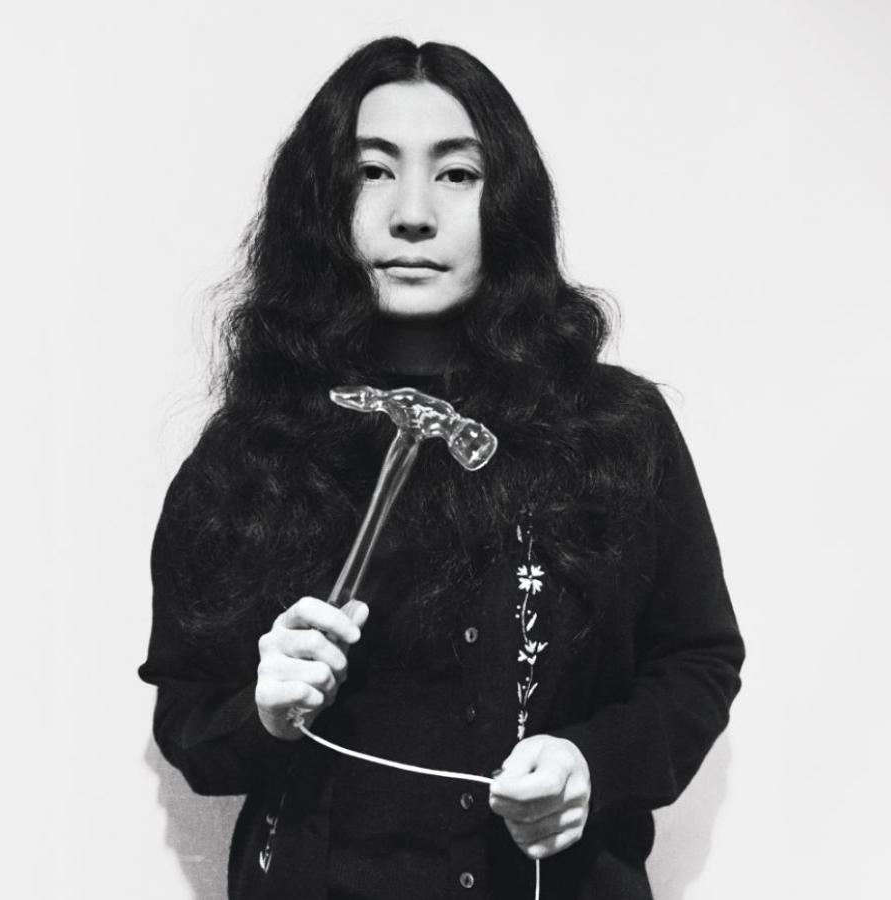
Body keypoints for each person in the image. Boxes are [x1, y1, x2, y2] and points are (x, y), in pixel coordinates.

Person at [138, 36, 744, 900]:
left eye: (457, 174)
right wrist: (263, 714)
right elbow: (190, 720)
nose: (413, 213)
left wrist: (592, 764)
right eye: (372, 171)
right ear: (322, 201)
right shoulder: (252, 450)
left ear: (507, 202)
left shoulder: (615, 428)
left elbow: (697, 658)